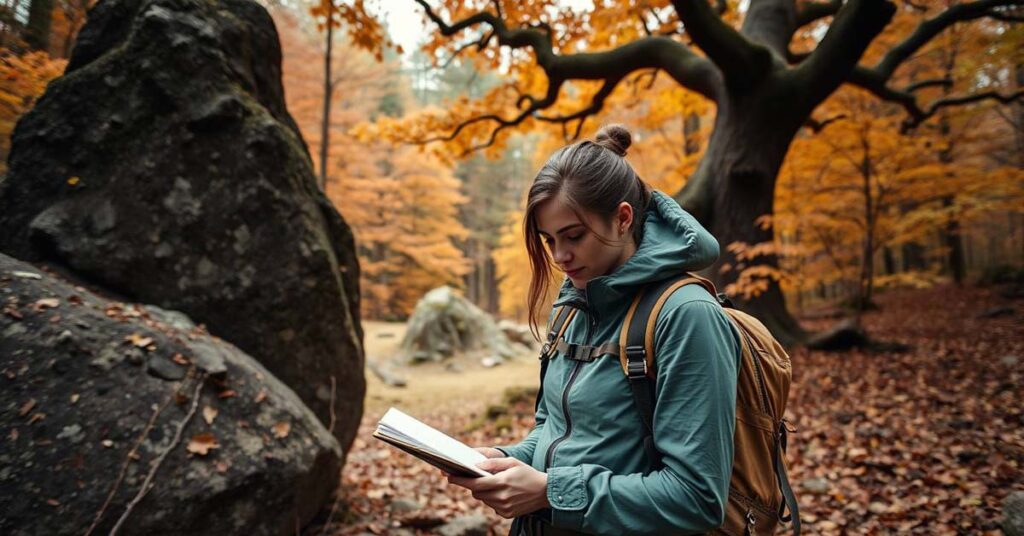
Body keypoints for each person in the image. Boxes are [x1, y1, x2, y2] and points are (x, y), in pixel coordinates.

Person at [444, 124, 741, 535]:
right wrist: (501, 459)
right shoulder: (571, 307)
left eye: (574, 236)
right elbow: (555, 430)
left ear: (623, 218)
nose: (561, 257)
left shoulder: (687, 316)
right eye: (549, 241)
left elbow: (697, 497)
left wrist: (550, 492)